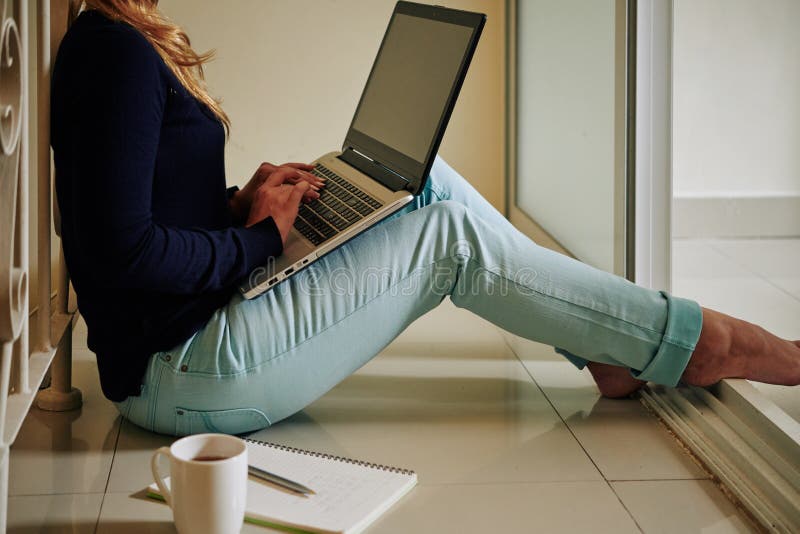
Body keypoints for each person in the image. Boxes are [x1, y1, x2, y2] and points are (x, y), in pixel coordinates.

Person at [52, 0, 799, 437]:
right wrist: (257, 239)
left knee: (425, 182)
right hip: (183, 369)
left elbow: (130, 210)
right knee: (448, 239)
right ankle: (699, 342)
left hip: (193, 335)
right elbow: (122, 252)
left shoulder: (117, 38)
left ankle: (609, 346)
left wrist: (237, 207)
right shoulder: (112, 51)